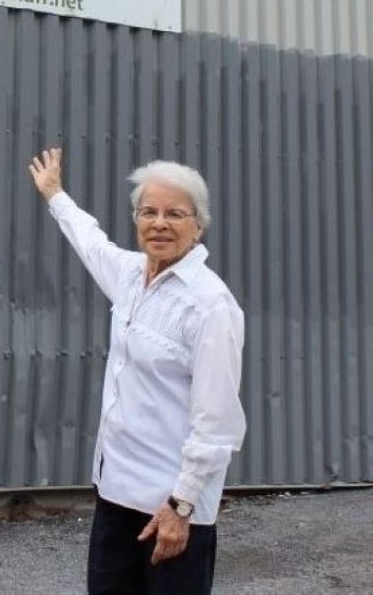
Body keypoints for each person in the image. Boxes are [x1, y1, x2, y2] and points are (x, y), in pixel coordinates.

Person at [29, 148, 246, 594]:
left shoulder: (210, 306)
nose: (159, 223)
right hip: (116, 491)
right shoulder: (130, 275)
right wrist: (54, 194)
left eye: (175, 214)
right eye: (149, 211)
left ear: (198, 226)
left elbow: (217, 422)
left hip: (172, 506)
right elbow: (90, 241)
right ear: (136, 219)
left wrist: (181, 505)